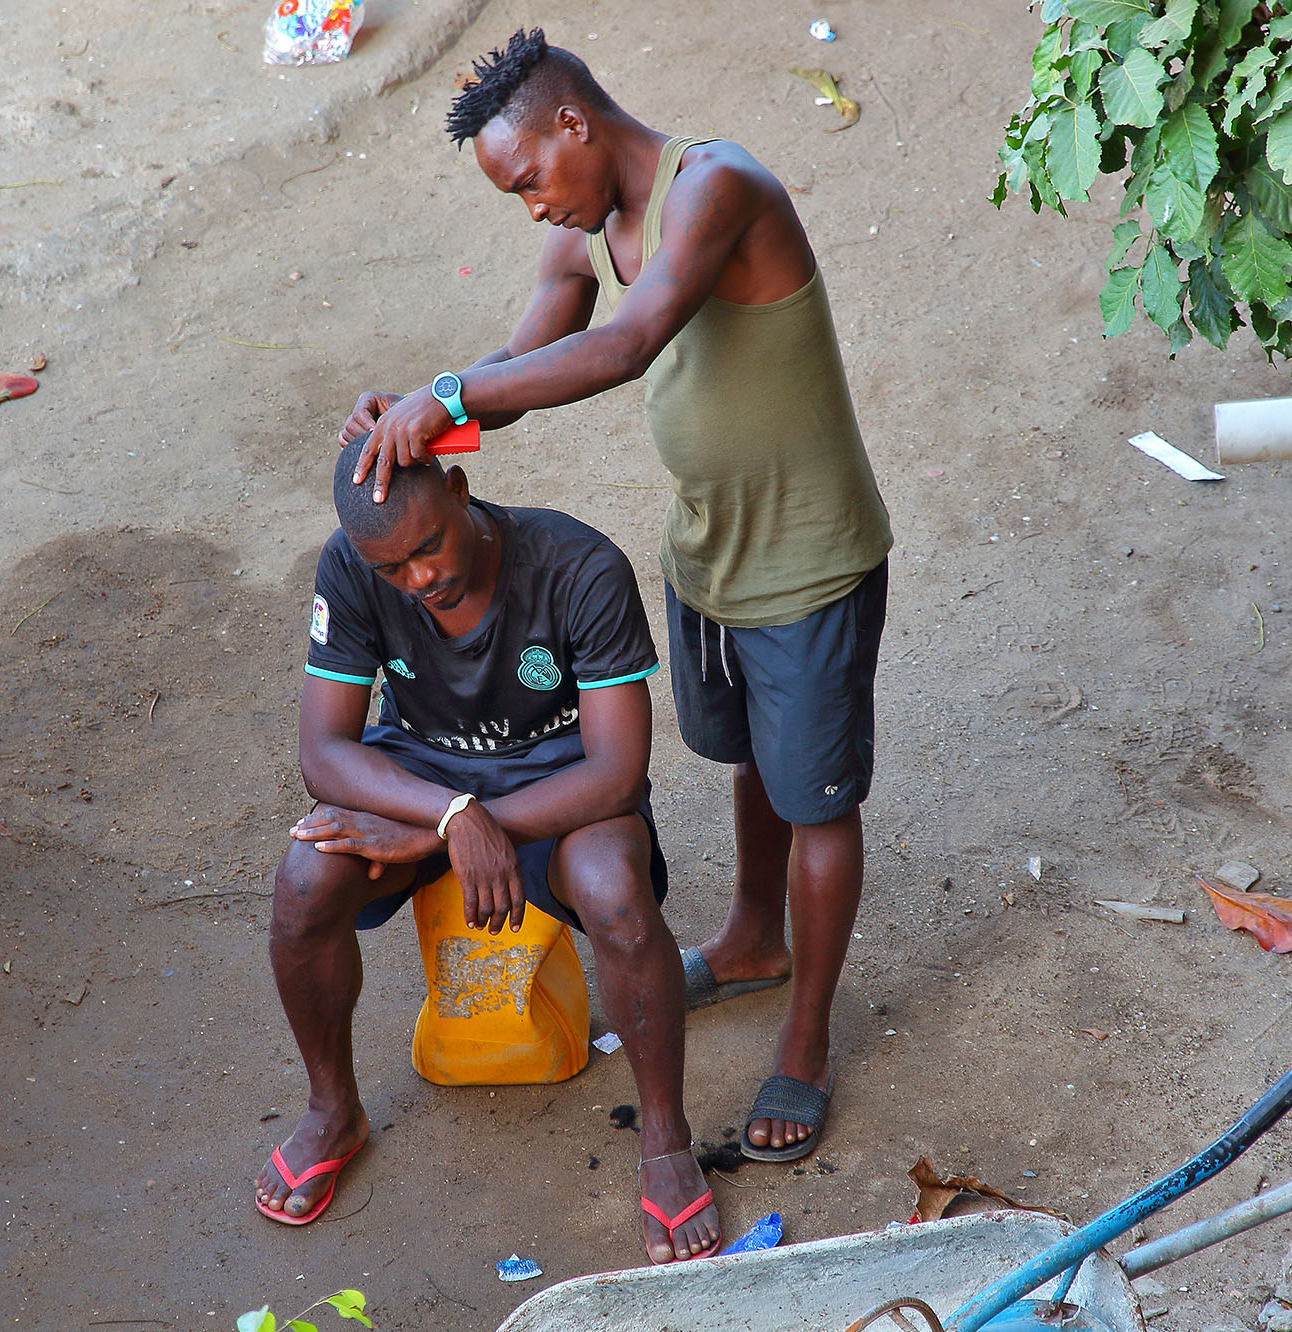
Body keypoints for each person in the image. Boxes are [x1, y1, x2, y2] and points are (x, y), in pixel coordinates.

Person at [340, 29, 894, 1162]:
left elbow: (631, 344)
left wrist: (449, 393)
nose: (533, 207)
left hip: (806, 561)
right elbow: (523, 366)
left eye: (530, 178)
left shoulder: (716, 185)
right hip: (710, 550)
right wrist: (429, 413)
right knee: (749, 757)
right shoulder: (596, 222)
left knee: (816, 800)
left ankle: (804, 1041)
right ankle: (749, 938)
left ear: (574, 125)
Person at [256, 440, 720, 1264]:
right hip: (425, 778)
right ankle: (334, 1107)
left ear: (463, 493)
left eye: (429, 547)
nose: (419, 579)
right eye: (392, 568)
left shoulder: (578, 566)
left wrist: (481, 820)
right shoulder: (353, 565)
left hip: (561, 781)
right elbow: (323, 755)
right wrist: (449, 816)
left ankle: (665, 1138)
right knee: (302, 881)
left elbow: (616, 772)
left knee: (615, 891)